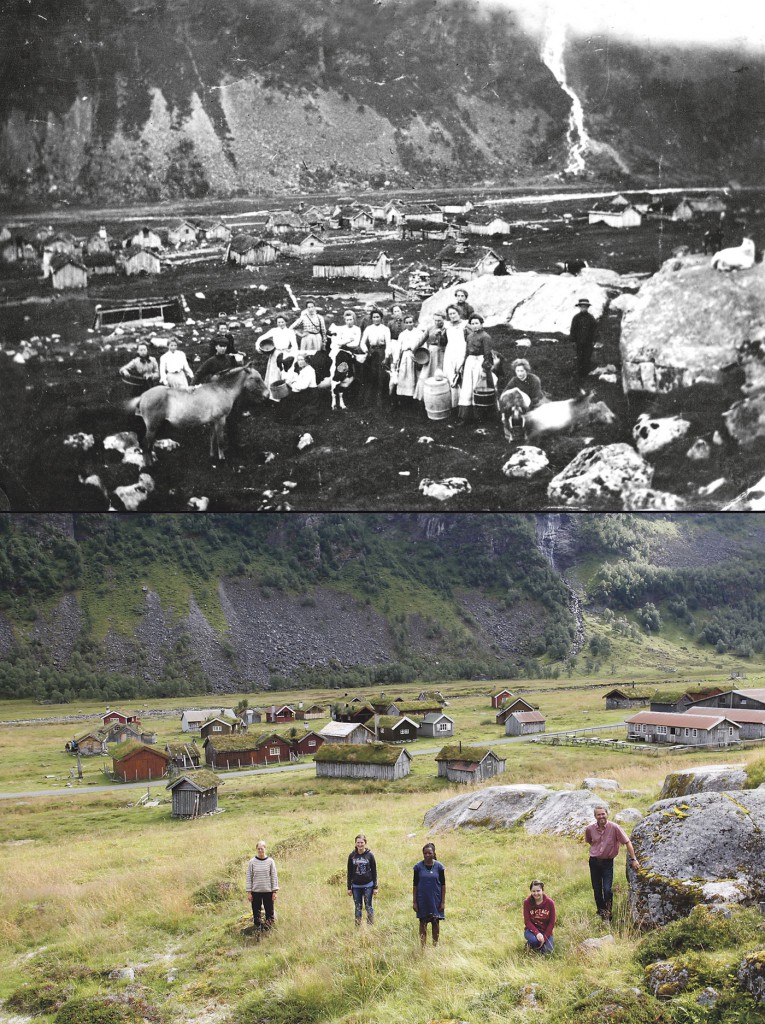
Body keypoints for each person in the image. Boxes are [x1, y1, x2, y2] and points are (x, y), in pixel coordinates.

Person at [584, 805, 640, 921]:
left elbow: (627, 842)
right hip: (594, 862)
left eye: (603, 814)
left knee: (607, 889)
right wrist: (599, 850)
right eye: (598, 814)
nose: (601, 816)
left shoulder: (614, 827)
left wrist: (634, 859)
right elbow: (590, 841)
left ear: (607, 814)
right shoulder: (590, 829)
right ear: (595, 816)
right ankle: (601, 913)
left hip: (607, 863)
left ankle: (608, 915)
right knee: (597, 890)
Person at [455, 313, 493, 423]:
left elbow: (488, 354)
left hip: (480, 362)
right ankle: (466, 416)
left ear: (481, 324)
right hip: (470, 362)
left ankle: (480, 416)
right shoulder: (469, 336)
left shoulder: (485, 337)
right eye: (472, 324)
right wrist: (463, 364)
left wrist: (485, 369)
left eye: (477, 323)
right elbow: (467, 352)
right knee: (467, 387)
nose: (475, 326)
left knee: (478, 388)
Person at [413, 842, 445, 946]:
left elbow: (443, 885)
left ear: (434, 853)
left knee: (435, 922)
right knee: (423, 922)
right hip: (422, 899)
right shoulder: (418, 867)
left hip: (436, 899)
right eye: (425, 853)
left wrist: (443, 902)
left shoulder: (439, 867)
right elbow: (415, 885)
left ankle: (435, 945)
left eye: (430, 853)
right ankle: (423, 946)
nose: (427, 855)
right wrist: (414, 901)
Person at [256, 316, 299, 389]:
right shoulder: (274, 330)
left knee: (285, 372)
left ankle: (284, 389)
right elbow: (261, 338)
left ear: (286, 322)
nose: (281, 324)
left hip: (285, 353)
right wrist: (258, 346)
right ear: (276, 323)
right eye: (279, 322)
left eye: (282, 322)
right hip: (276, 353)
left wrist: (292, 351)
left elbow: (295, 345)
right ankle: (274, 390)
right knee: (275, 372)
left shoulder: (290, 332)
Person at [246, 839, 279, 931]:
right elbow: (249, 877)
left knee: (270, 913)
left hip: (268, 891)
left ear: (265, 849)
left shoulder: (270, 861)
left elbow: (274, 876)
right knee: (256, 914)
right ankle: (258, 930)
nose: (260, 850)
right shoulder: (252, 862)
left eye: (262, 848)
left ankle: (268, 930)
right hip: (255, 892)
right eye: (258, 848)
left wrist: (274, 891)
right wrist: (249, 892)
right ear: (256, 849)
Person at [346, 833, 378, 927]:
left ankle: (370, 926)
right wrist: (349, 887)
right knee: (358, 907)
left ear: (365, 843)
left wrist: (375, 887)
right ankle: (358, 926)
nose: (360, 845)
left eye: (362, 842)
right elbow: (349, 872)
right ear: (355, 843)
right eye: (358, 843)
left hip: (368, 885)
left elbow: (374, 871)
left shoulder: (370, 855)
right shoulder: (352, 856)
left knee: (368, 906)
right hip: (356, 886)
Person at [390, 314, 423, 405]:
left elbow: (423, 346)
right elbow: (398, 348)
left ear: (414, 323)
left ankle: (415, 399)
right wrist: (396, 360)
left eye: (411, 322)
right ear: (404, 323)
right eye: (407, 322)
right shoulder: (402, 334)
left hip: (416, 355)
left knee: (415, 376)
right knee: (405, 377)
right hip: (405, 356)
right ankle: (404, 399)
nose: (409, 324)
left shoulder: (419, 333)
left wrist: (420, 357)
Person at [414, 312, 447, 401]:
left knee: (441, 374)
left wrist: (440, 335)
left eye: (439, 320)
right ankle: (424, 397)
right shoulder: (430, 328)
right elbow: (421, 339)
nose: (437, 322)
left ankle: (440, 398)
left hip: (443, 352)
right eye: (435, 320)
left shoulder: (447, 329)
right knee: (426, 374)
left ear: (444, 319)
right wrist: (413, 350)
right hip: (432, 353)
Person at [359, 309, 392, 400]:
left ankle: (381, 397)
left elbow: (388, 343)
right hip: (371, 352)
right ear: (371, 318)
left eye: (377, 317)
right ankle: (370, 398)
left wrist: (386, 357)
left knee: (381, 376)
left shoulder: (385, 329)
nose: (376, 319)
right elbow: (362, 342)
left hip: (381, 351)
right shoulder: (369, 328)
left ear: (381, 318)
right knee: (371, 375)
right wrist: (366, 350)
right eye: (374, 317)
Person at [442, 305, 468, 409]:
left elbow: (469, 339)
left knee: (461, 375)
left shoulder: (465, 324)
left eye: (454, 313)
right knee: (450, 375)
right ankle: (452, 403)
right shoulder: (447, 325)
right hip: (450, 352)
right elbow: (443, 341)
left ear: (459, 313)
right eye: (450, 314)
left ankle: (463, 403)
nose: (452, 316)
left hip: (461, 351)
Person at [523, 880, 555, 954]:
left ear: (542, 890)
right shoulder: (527, 902)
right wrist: (537, 933)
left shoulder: (550, 903)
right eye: (533, 891)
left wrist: (545, 937)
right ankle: (531, 944)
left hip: (546, 931)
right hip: (531, 931)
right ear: (531, 891)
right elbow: (527, 922)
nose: (536, 893)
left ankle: (536, 948)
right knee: (535, 940)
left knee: (548, 951)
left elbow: (552, 923)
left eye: (538, 890)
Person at [570, 298, 597, 378]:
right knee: (580, 357)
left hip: (588, 342)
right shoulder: (576, 318)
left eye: (585, 307)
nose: (583, 308)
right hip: (579, 342)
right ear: (579, 307)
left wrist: (594, 339)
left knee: (587, 357)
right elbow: (573, 330)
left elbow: (595, 329)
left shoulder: (591, 318)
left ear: (587, 308)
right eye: (582, 307)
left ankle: (586, 374)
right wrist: (573, 340)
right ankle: (580, 373)